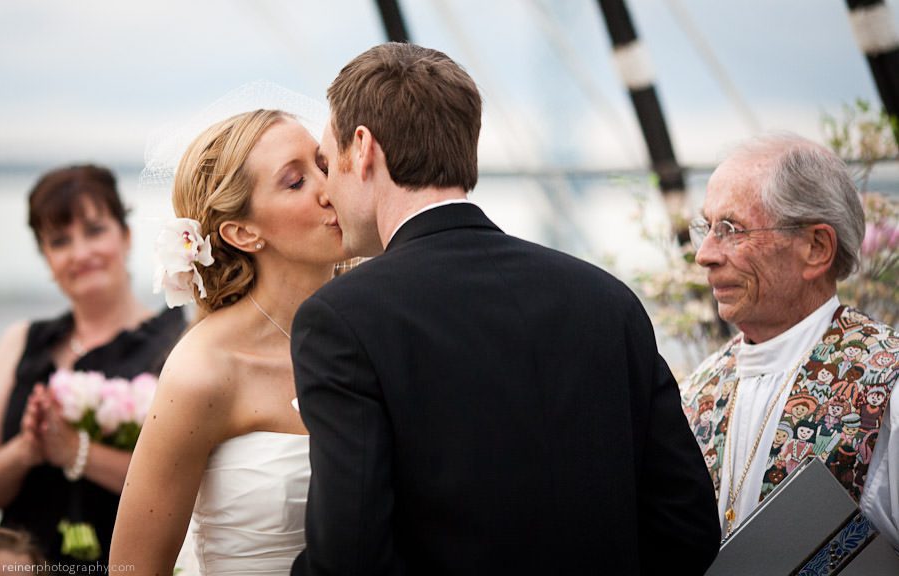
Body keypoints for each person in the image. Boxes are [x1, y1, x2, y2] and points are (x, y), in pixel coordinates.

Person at [291, 42, 721, 576]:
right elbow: (689, 528)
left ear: (363, 148)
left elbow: (349, 559)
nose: (326, 190)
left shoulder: (342, 320)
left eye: (328, 165)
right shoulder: (608, 300)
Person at [109, 109, 345, 576]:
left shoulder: (372, 333)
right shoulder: (204, 370)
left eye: (324, 164)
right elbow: (133, 567)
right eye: (296, 182)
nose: (328, 188)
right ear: (243, 233)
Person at [680, 134, 899, 552]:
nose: (704, 254)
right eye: (706, 229)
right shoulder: (696, 391)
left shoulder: (886, 382)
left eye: (730, 229)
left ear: (816, 248)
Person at [0, 165, 185, 567]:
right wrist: (27, 450)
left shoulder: (177, 345)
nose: (81, 253)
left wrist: (75, 452)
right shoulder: (21, 342)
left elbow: (187, 493)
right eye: (60, 241)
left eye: (95, 230)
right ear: (47, 259)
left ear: (127, 236)